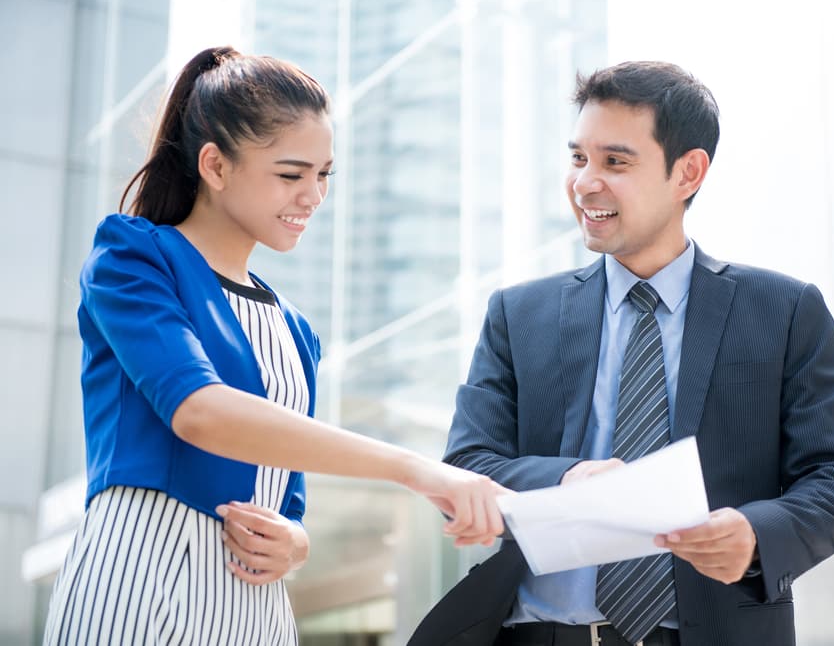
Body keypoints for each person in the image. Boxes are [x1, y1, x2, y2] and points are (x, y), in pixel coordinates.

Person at [42, 46, 507, 646]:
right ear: (215, 165)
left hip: (253, 606)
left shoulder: (294, 327)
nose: (313, 196)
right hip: (141, 580)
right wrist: (418, 471)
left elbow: (287, 494)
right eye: (291, 174)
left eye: (323, 176)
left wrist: (297, 542)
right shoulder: (133, 258)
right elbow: (201, 412)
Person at [409, 61, 834, 646]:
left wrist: (757, 533)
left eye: (615, 162)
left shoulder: (784, 310)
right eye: (578, 158)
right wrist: (570, 478)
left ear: (688, 172)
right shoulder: (519, 313)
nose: (584, 183)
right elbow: (469, 465)